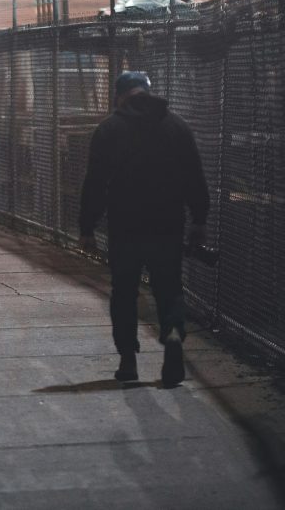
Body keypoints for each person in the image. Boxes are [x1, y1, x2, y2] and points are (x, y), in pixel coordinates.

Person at [78, 71, 209, 387]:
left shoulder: (109, 130)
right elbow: (194, 176)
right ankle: (173, 332)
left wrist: (87, 227)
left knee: (124, 291)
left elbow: (95, 183)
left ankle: (128, 359)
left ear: (119, 96)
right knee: (169, 287)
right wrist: (199, 219)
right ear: (147, 92)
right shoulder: (176, 126)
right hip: (168, 223)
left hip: (125, 226)